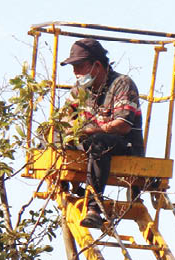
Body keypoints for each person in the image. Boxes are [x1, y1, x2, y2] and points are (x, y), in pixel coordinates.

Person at [60, 38, 144, 229]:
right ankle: (72, 186)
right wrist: (68, 130)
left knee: (98, 142)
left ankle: (93, 208)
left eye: (79, 66)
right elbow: (65, 119)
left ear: (97, 65)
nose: (75, 72)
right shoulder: (81, 90)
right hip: (92, 143)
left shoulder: (122, 84)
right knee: (54, 137)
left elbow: (123, 125)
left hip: (124, 145)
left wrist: (90, 130)